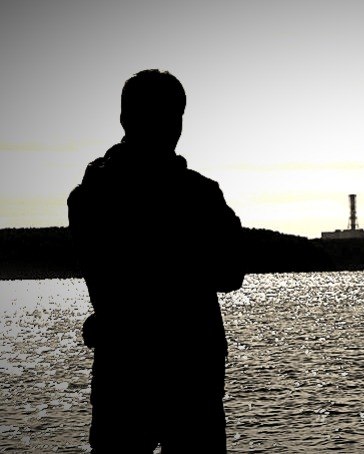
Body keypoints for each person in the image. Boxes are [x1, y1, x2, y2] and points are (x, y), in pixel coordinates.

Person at [68, 69, 244, 453]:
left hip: (122, 370)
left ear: (123, 118)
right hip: (190, 374)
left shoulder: (89, 195)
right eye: (173, 116)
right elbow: (231, 272)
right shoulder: (200, 195)